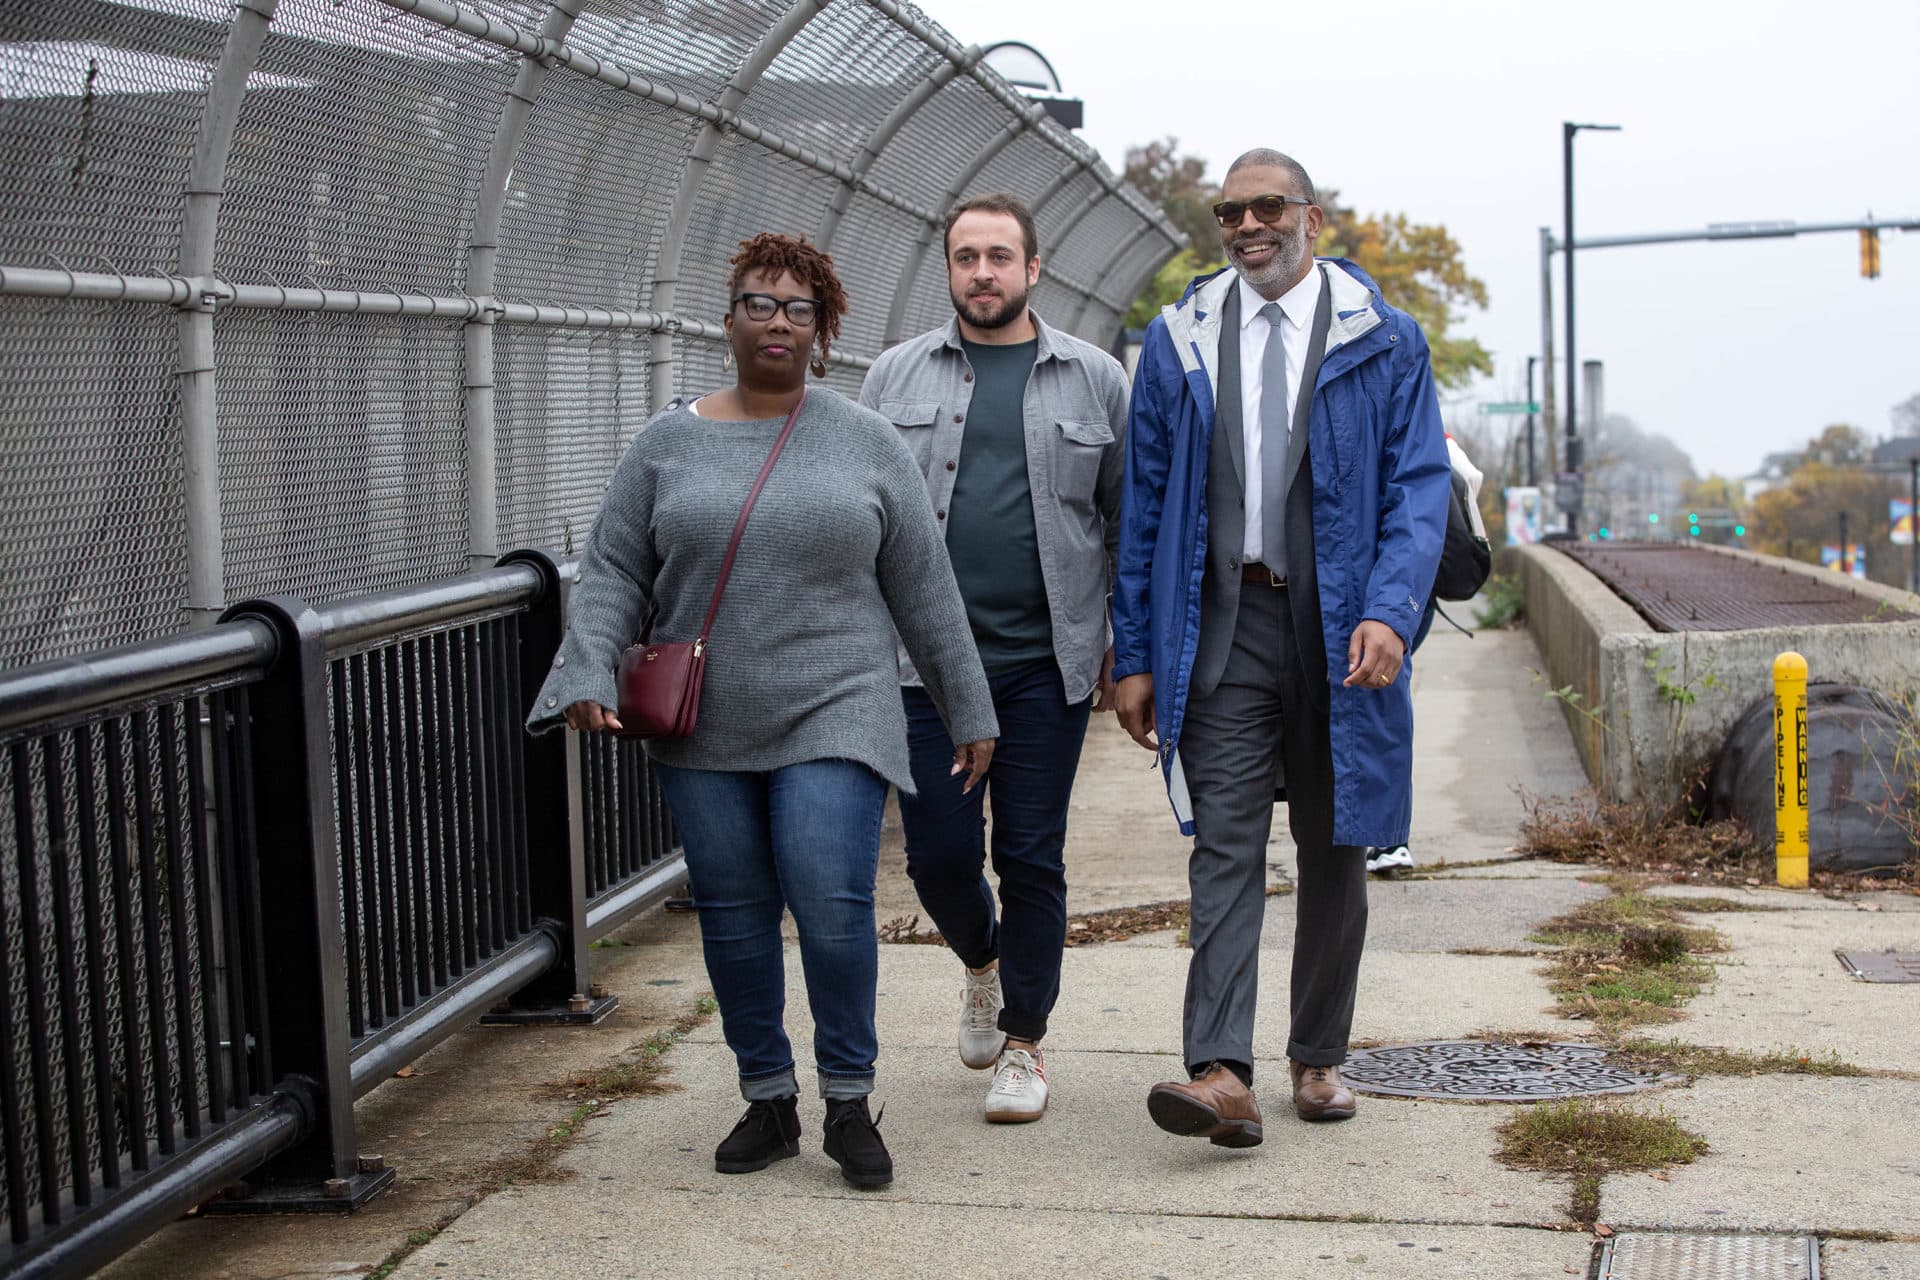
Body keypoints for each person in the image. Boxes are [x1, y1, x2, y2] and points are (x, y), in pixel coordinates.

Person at [527, 233, 999, 1189]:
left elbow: (924, 585)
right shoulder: (666, 442)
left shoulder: (864, 440)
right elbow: (617, 569)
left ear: (822, 330)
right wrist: (584, 669)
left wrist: (968, 708)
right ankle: (767, 1097)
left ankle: (848, 1099)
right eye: (758, 304)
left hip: (839, 705)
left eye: (798, 310)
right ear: (729, 317)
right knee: (736, 912)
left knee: (830, 896)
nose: (777, 323)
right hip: (704, 720)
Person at [1109, 149, 1450, 1147]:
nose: (1248, 224)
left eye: (1268, 207)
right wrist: (1134, 650)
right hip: (1222, 622)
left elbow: (1417, 487)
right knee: (1225, 842)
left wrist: (1389, 610)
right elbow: (1145, 507)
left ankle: (1318, 1051)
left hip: (1340, 624)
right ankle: (1219, 1069)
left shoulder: (1383, 340)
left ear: (1312, 218)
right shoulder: (1178, 340)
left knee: (1338, 842)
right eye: (1231, 211)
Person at [859, 193, 1128, 1124]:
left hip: (1043, 665)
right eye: (966, 256)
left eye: (1000, 257)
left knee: (1031, 856)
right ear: (948, 269)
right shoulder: (893, 378)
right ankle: (982, 962)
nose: (983, 272)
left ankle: (1024, 1041)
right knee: (936, 857)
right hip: (923, 669)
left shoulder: (1095, 380)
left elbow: (1128, 523)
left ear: (1033, 269)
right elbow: (862, 520)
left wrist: (1117, 651)